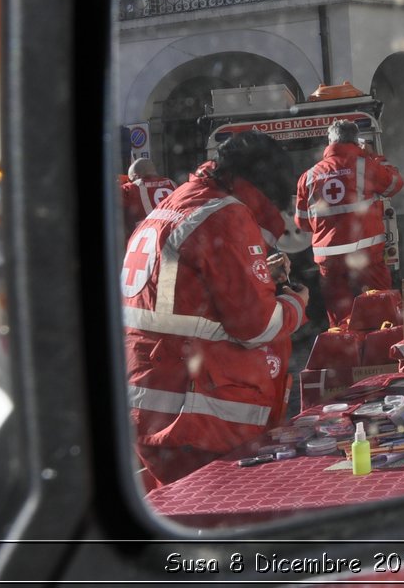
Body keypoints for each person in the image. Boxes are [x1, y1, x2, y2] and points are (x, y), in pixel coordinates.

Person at [121, 130, 309, 488]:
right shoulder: (227, 214)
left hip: (151, 405)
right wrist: (295, 302)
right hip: (199, 415)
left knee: (180, 512)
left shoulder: (175, 206)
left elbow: (179, 294)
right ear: (263, 185)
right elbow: (256, 327)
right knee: (226, 519)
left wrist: (254, 279)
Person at [294, 120, 404, 329]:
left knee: (339, 316)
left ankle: (345, 350)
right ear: (356, 141)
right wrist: (373, 156)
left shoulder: (308, 177)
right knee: (382, 308)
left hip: (330, 260)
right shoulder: (365, 165)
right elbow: (394, 184)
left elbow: (302, 223)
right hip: (366, 255)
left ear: (330, 142)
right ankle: (382, 351)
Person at [119, 156, 176, 233]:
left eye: (130, 180)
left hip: (147, 236)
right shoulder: (172, 184)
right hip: (175, 232)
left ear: (136, 176)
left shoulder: (130, 188)